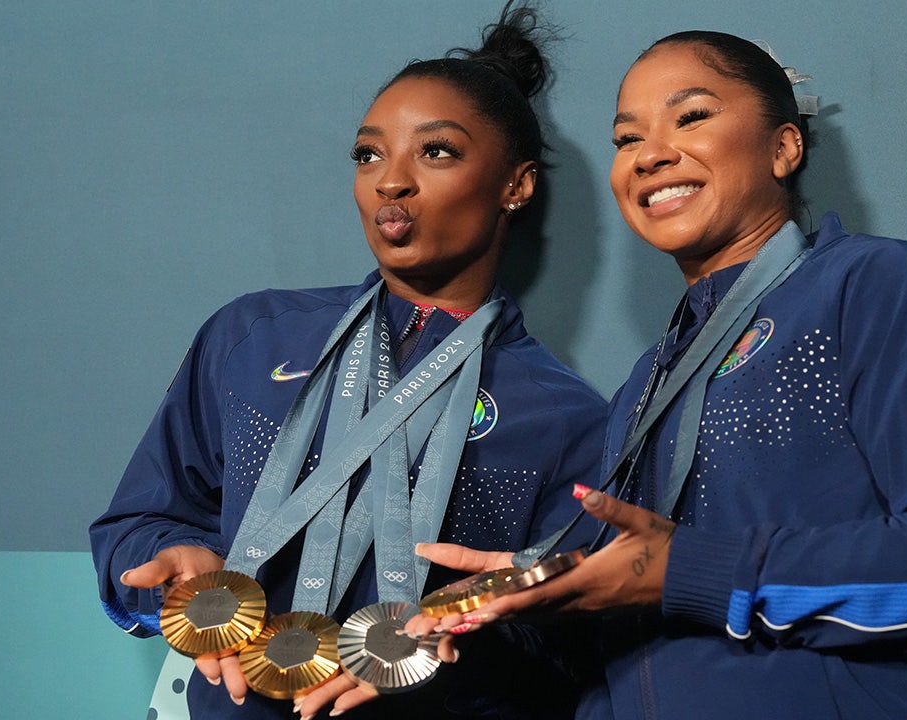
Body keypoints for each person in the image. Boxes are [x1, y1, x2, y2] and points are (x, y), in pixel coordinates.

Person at [414, 31, 907, 719]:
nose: (651, 154)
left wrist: (690, 571)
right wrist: (492, 617)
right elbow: (640, 634)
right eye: (627, 139)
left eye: (691, 117)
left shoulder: (879, 287)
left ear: (784, 147)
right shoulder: (645, 384)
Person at [89, 5, 608, 719]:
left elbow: (572, 648)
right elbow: (136, 526)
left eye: (437, 152)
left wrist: (453, 646)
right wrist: (173, 573)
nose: (390, 182)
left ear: (515, 186)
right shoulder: (255, 337)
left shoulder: (567, 416)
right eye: (369, 155)